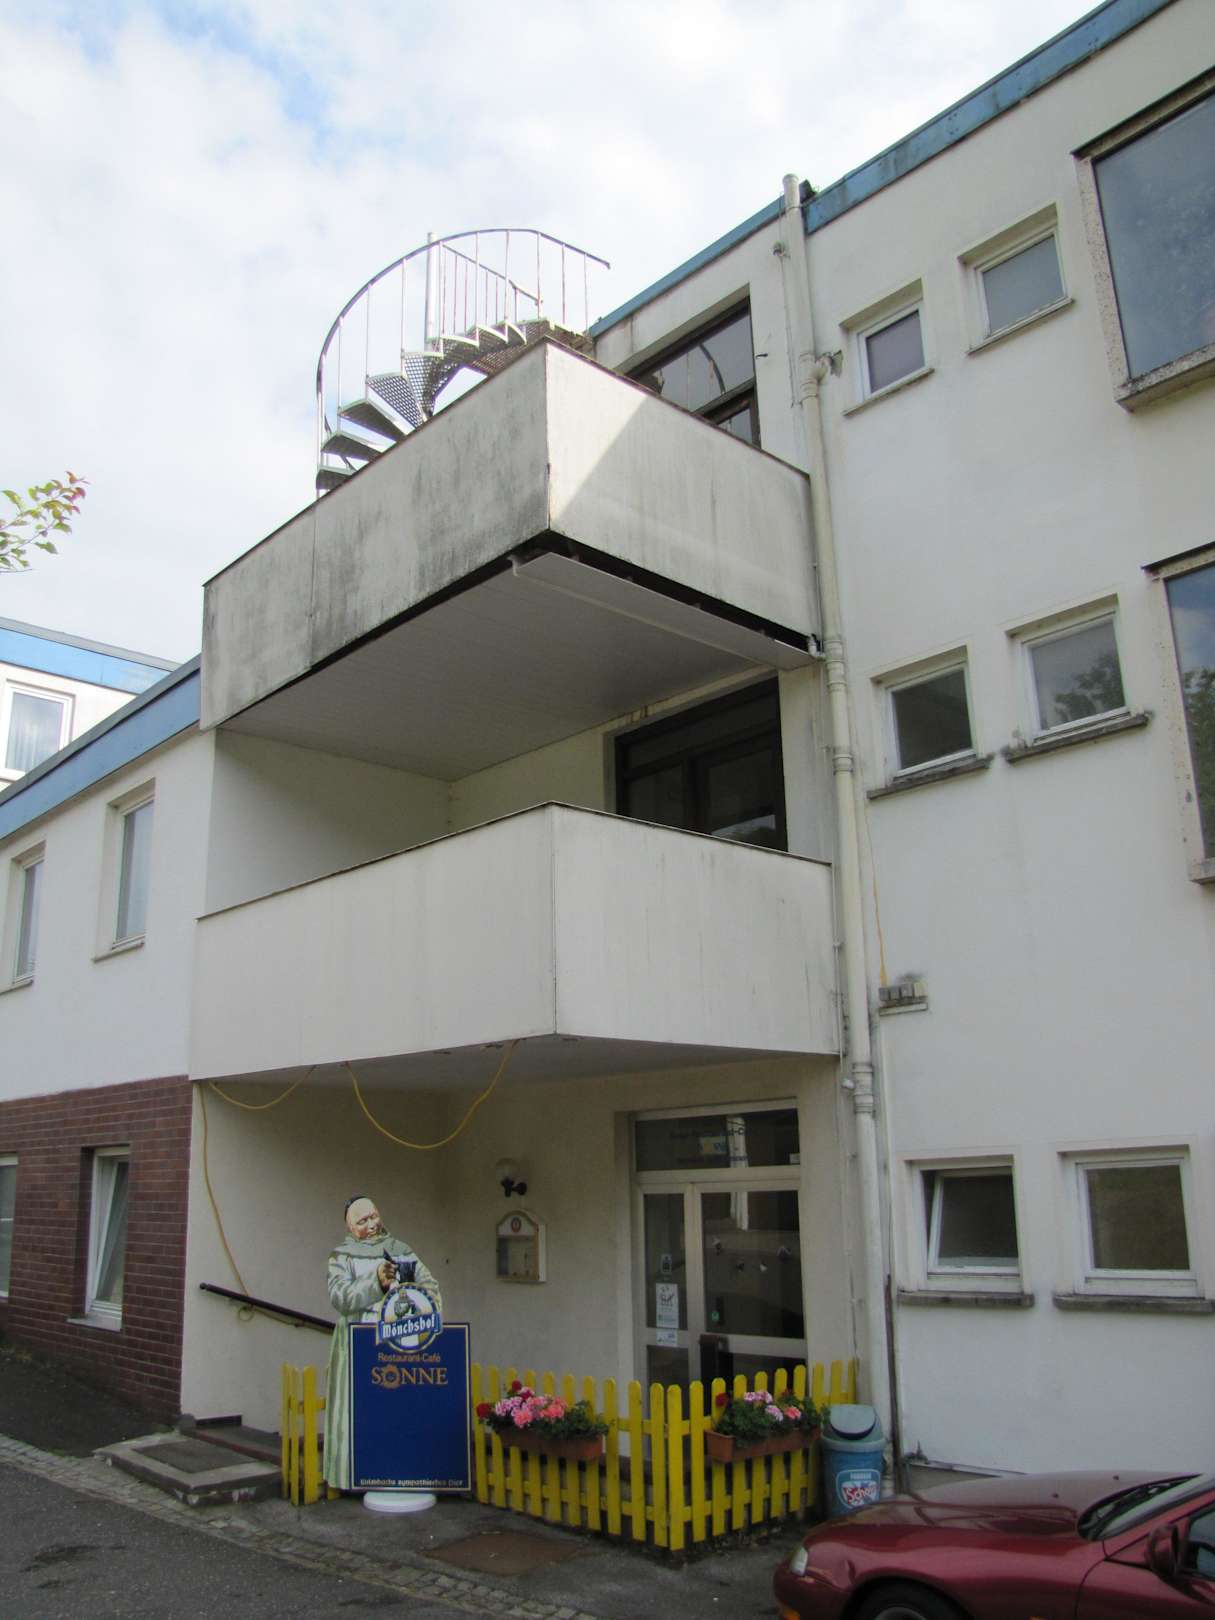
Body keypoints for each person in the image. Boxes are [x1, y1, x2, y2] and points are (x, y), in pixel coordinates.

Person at [323, 1194, 442, 1490]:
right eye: (362, 1221)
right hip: (359, 1339)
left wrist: (415, 1301)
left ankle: (401, 1471)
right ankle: (359, 1473)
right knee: (360, 1408)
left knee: (399, 1406)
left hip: (401, 1337)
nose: (371, 1224)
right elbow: (340, 1297)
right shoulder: (342, 1256)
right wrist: (376, 1282)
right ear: (351, 1227)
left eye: (374, 1216)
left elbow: (429, 1286)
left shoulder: (401, 1250)